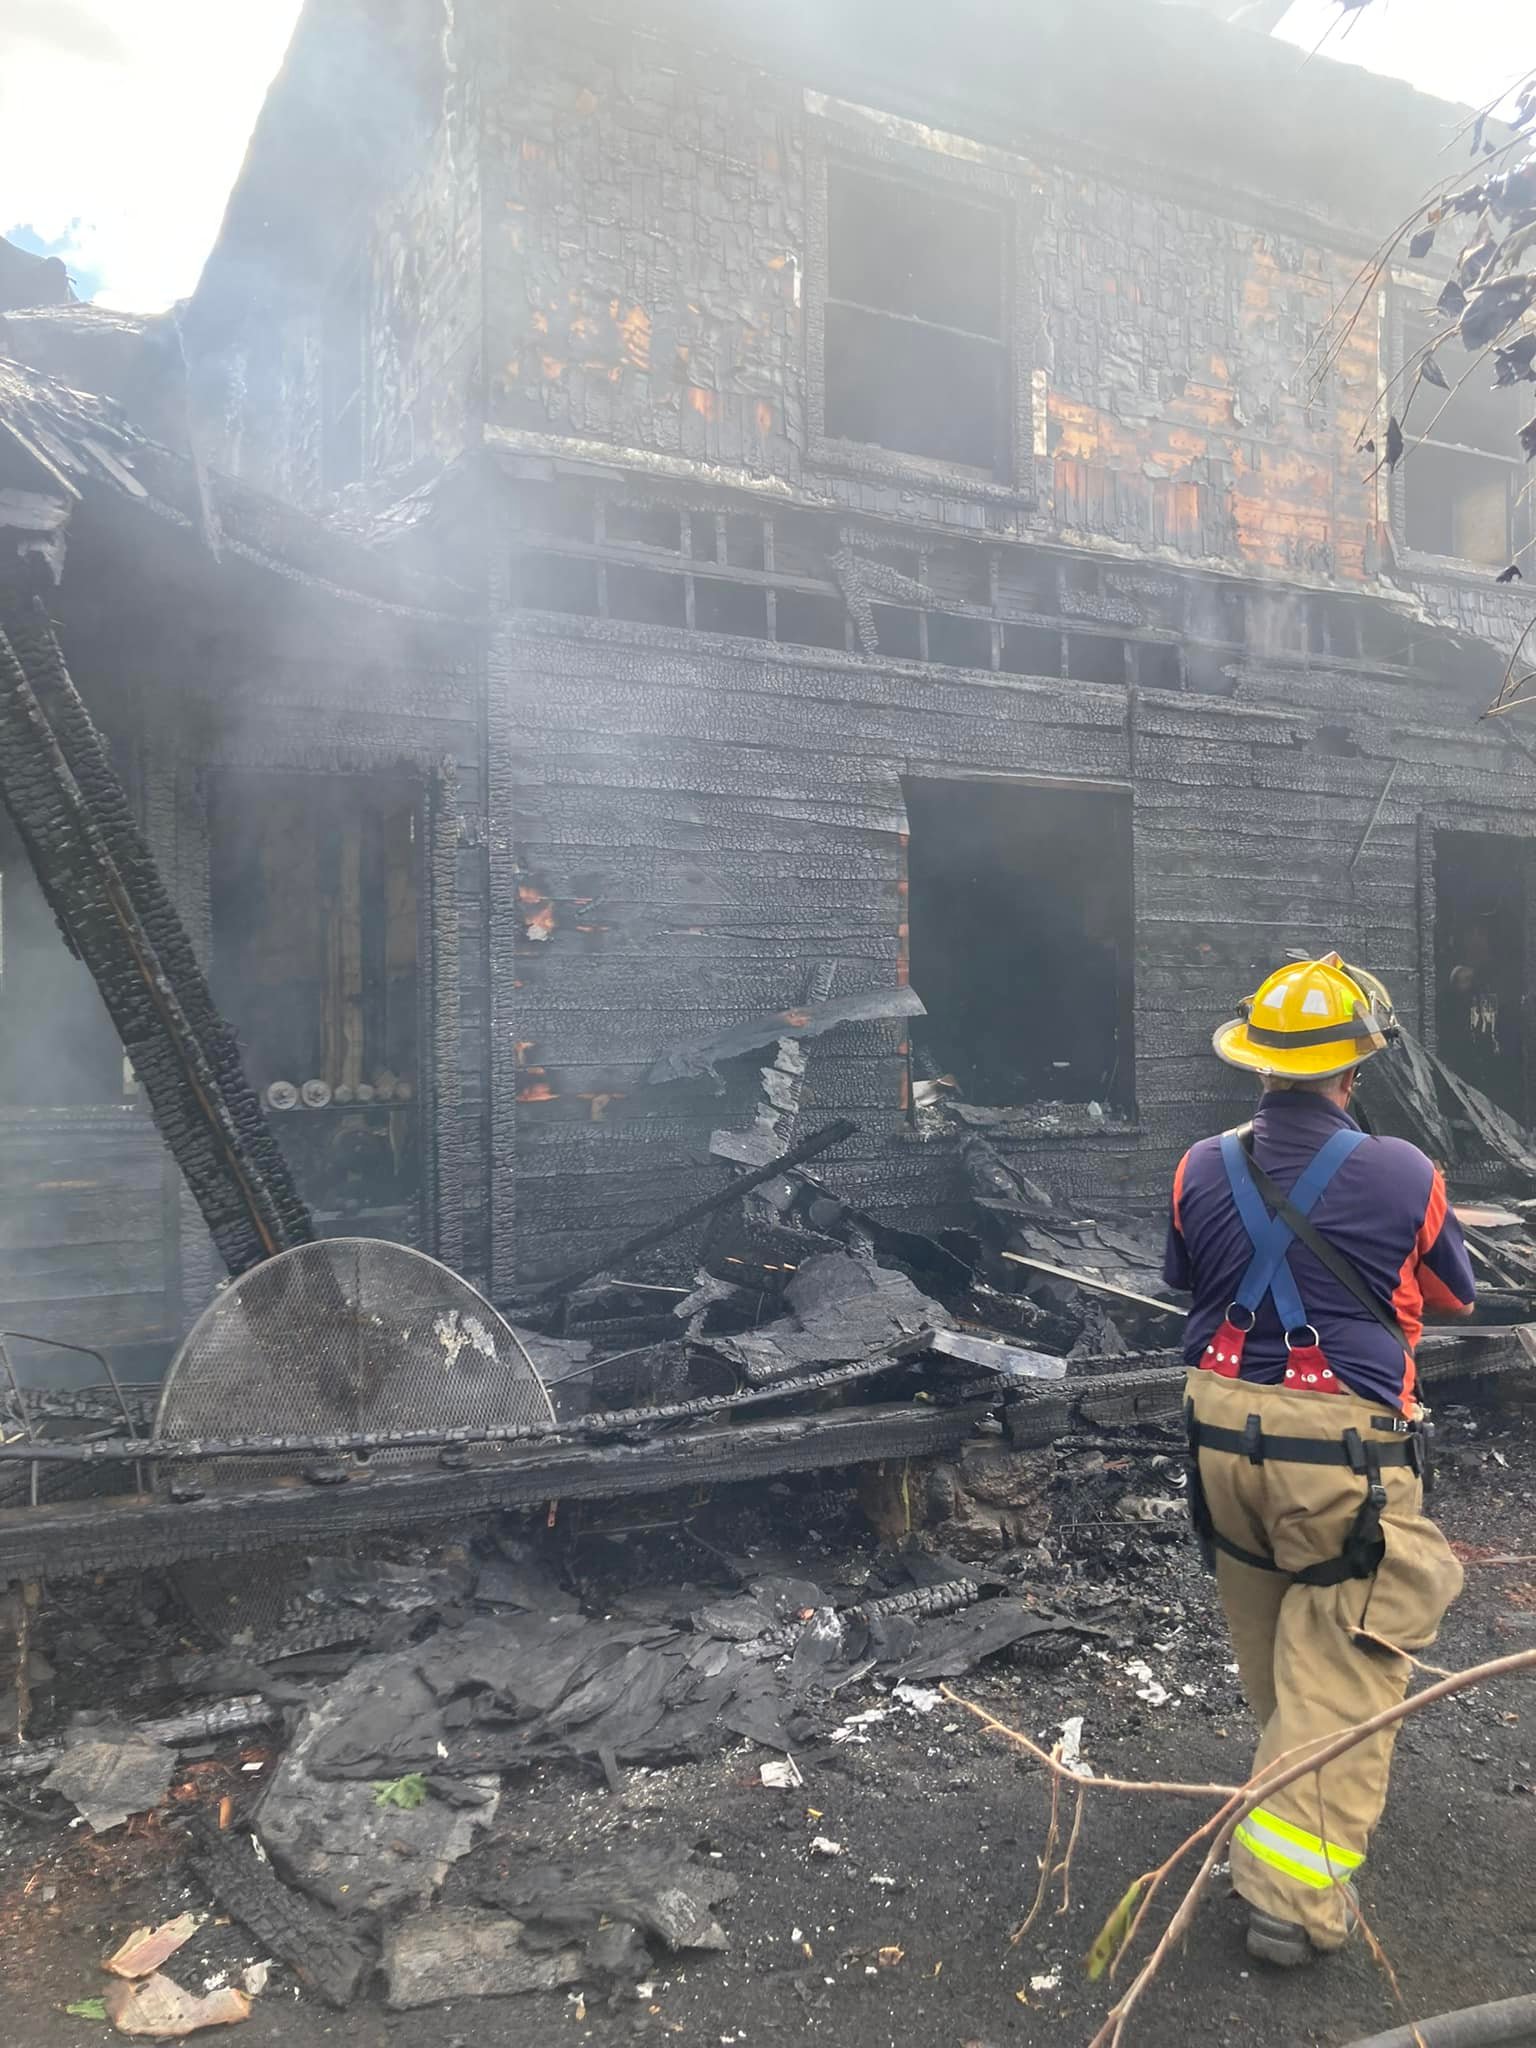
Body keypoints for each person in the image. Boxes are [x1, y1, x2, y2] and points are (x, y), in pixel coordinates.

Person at [1164, 954, 1474, 1968]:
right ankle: (1293, 1900)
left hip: (1219, 1439)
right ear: (1355, 1066)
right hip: (1339, 1453)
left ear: (1257, 1060)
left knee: (1277, 1652)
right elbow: (1454, 1291)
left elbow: (1187, 1277)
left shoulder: (1198, 1165)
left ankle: (1283, 1810)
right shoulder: (1406, 1171)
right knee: (1345, 1660)